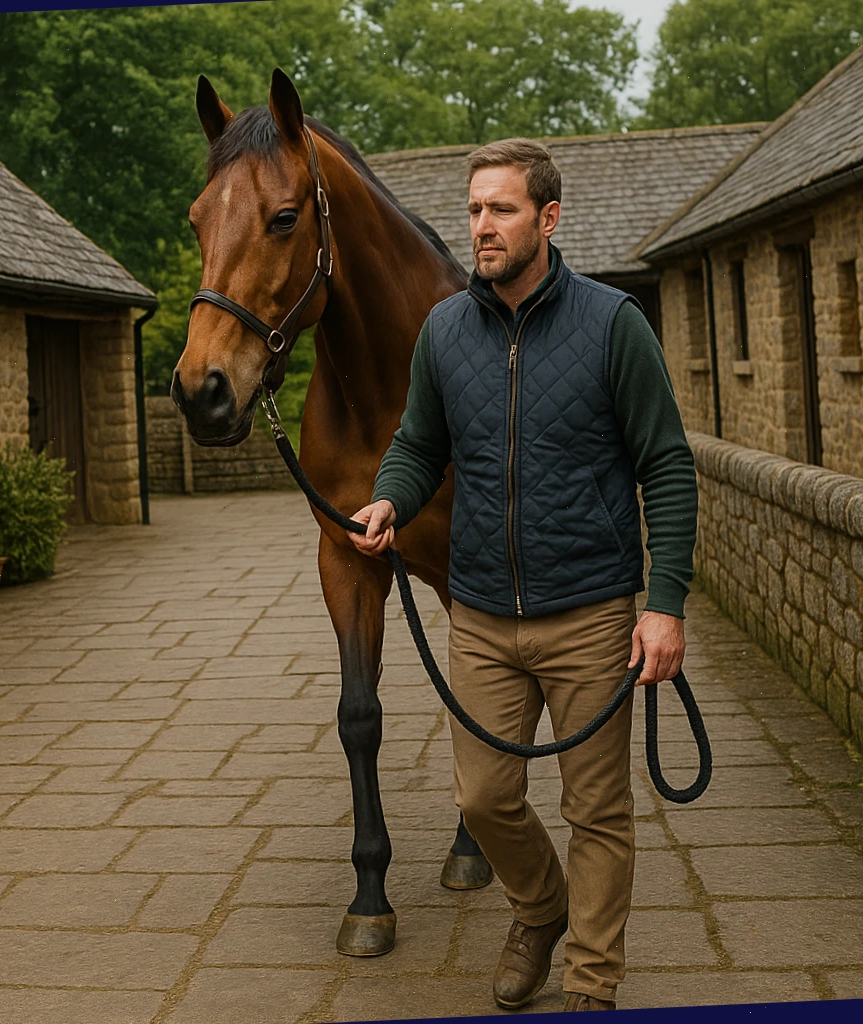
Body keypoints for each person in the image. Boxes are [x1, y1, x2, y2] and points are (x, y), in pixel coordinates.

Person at [347, 138, 697, 1012]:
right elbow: (418, 445)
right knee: (486, 797)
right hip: (482, 616)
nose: (482, 227)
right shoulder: (445, 330)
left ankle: (592, 982)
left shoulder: (614, 323)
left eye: (501, 209)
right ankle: (540, 910)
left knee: (597, 813)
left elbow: (668, 465)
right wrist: (391, 499)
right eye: (473, 211)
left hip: (592, 614)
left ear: (547, 218)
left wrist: (664, 606)